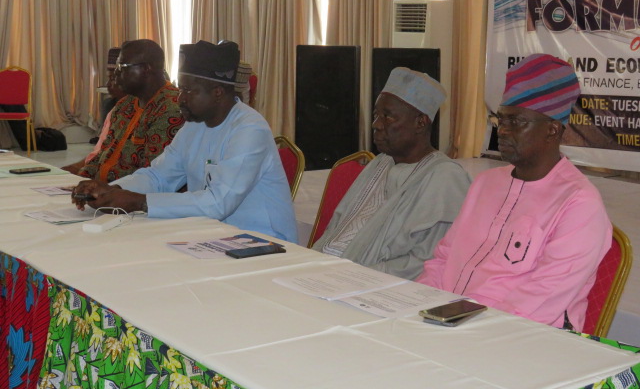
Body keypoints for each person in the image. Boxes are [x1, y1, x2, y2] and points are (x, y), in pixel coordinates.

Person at [416, 54, 612, 331]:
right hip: (449, 323)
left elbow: (540, 301)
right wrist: (418, 307)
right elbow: (444, 258)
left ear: (552, 130)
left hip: (522, 337)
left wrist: (462, 330)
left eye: (516, 122)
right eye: (501, 119)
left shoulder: (579, 203)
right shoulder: (486, 184)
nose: (503, 131)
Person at [72, 40, 298, 243]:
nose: (181, 99)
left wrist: (139, 202)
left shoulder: (249, 129)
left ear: (218, 92)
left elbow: (218, 203)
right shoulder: (195, 125)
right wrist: (110, 191)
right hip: (213, 235)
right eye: (181, 89)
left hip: (262, 241)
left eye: (189, 91)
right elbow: (159, 176)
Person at [312, 67, 471, 279]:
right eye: (376, 115)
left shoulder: (446, 178)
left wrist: (352, 276)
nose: (376, 125)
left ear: (420, 122)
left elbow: (424, 263)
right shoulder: (381, 162)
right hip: (325, 270)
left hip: (370, 283)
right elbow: (337, 227)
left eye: (388, 117)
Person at [74, 39, 184, 182]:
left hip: (128, 193)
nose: (116, 73)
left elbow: (153, 175)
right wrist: (79, 180)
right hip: (101, 190)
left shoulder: (171, 109)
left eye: (122, 67)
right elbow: (103, 155)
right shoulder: (125, 105)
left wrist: (104, 190)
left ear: (145, 69)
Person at [62, 47, 127, 175]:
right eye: (109, 78)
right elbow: (101, 151)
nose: (108, 84)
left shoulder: (149, 110)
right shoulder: (115, 109)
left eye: (113, 78)